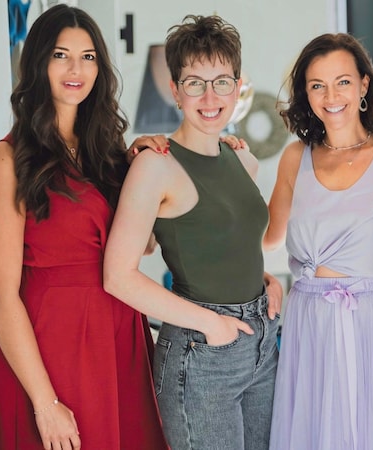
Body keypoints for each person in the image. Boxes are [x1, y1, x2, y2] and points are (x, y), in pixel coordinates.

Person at [0, 4, 168, 450]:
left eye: (88, 57)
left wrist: (145, 170)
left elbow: (145, 247)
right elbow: (0, 294)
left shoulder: (109, 153)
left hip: (118, 341)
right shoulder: (6, 160)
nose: (75, 69)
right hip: (45, 350)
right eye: (61, 55)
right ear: (39, 61)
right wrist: (45, 404)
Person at [102, 15, 282, 450]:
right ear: (175, 90)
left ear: (238, 87)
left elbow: (229, 244)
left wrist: (267, 281)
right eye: (194, 82)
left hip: (263, 344)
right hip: (202, 353)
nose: (209, 96)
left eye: (221, 81)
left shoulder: (243, 160)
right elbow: (118, 276)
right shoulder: (155, 164)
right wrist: (210, 323)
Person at [265, 33, 373, 450]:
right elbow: (265, 239)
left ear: (364, 85)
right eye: (317, 85)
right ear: (306, 94)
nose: (330, 95)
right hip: (309, 323)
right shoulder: (295, 158)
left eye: (343, 82)